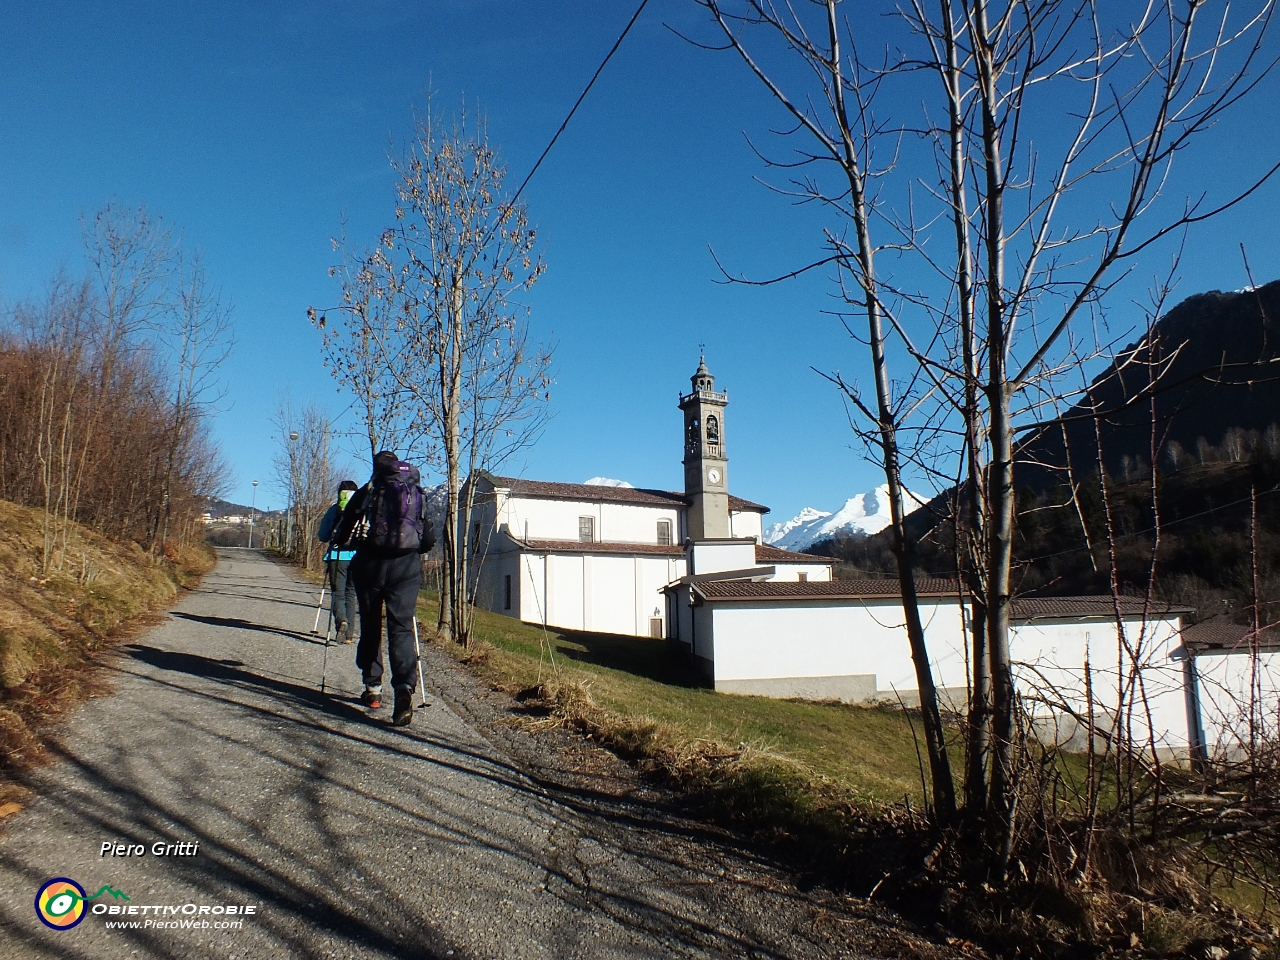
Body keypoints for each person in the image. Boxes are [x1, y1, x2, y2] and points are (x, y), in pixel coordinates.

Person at [332, 451, 435, 726]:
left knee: (370, 625)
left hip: (370, 564)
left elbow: (342, 531)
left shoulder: (368, 491)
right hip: (407, 569)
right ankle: (403, 690)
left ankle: (373, 688)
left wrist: (341, 541)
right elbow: (428, 538)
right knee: (400, 628)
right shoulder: (414, 491)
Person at [317, 480, 359, 643]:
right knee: (351, 593)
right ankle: (349, 635)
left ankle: (341, 620)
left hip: (336, 557)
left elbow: (323, 535)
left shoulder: (334, 510)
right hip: (357, 557)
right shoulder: (361, 510)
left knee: (338, 593)